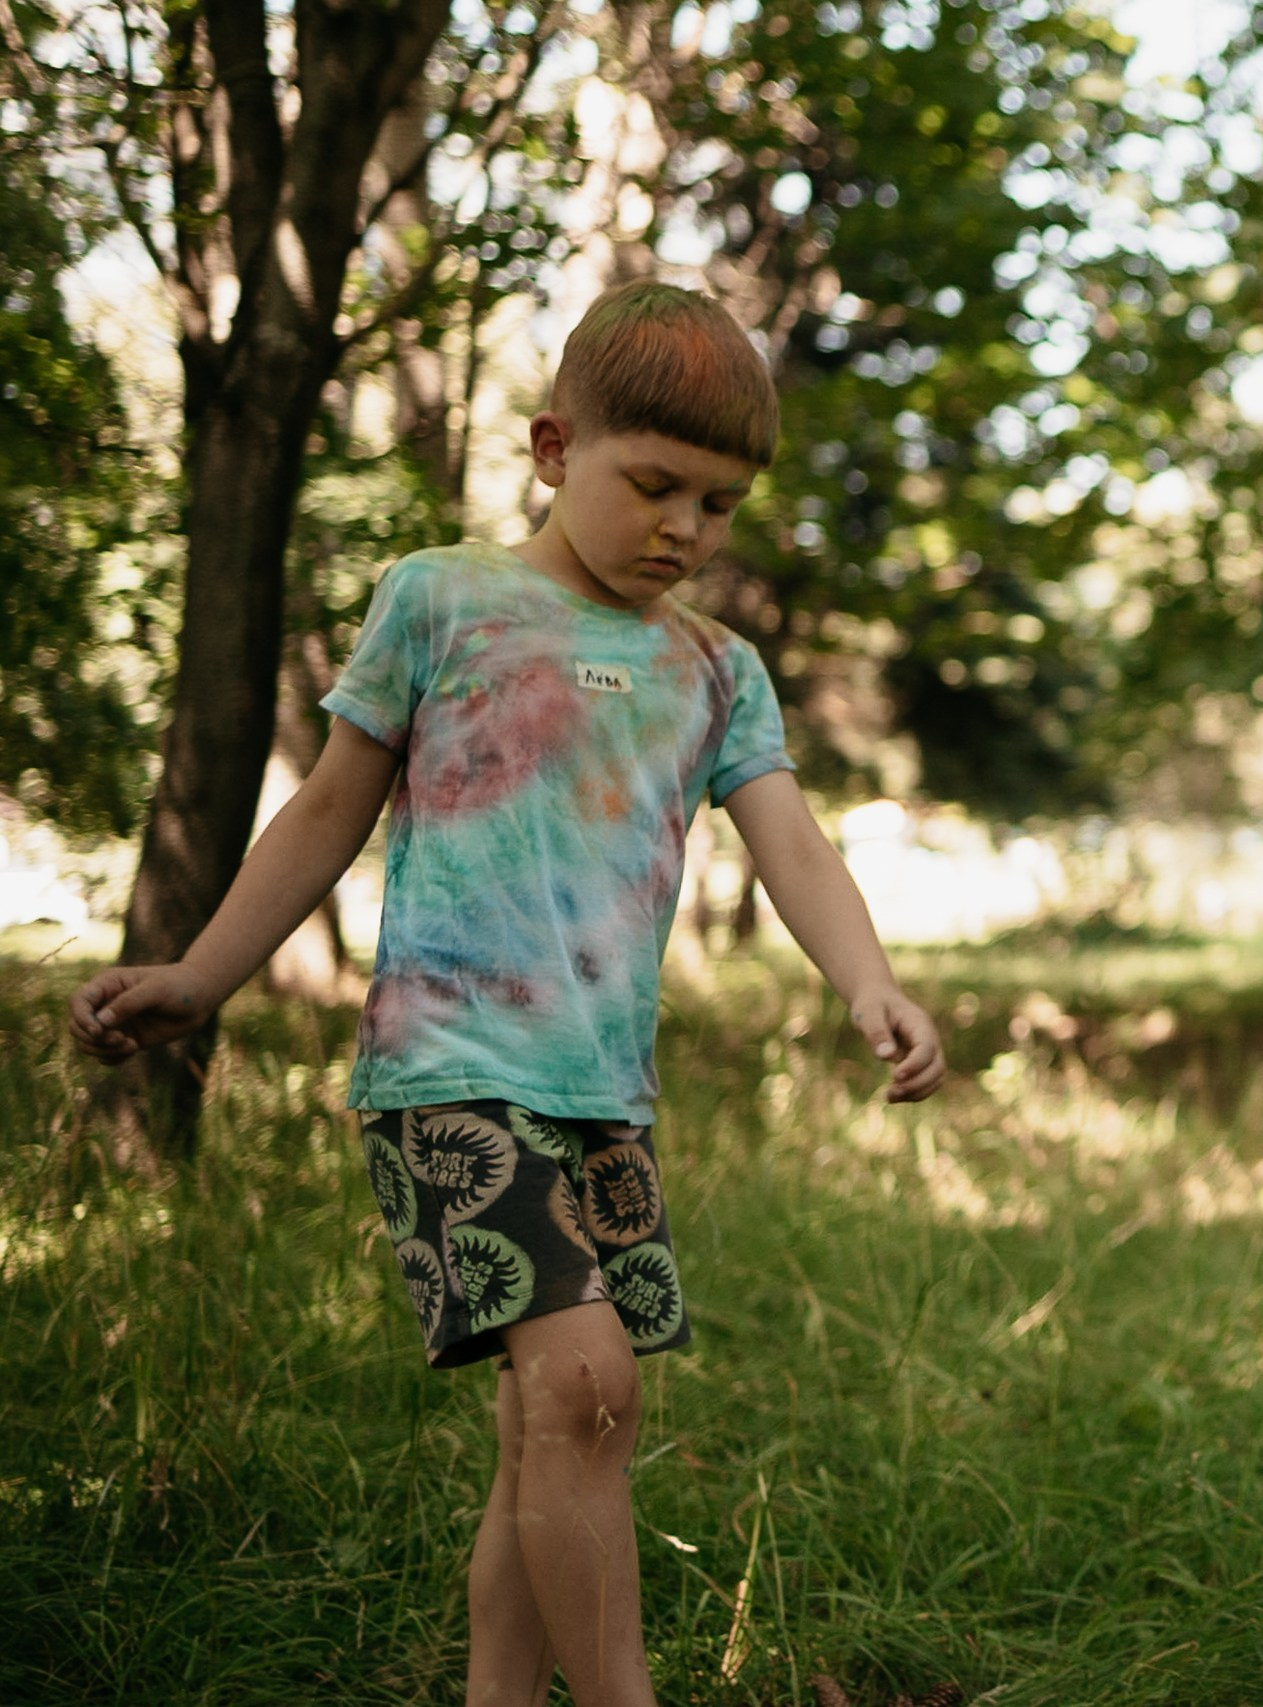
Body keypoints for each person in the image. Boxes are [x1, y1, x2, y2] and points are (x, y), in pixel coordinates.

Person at [69, 279, 946, 1707]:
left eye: (718, 506)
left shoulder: (716, 671)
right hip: (451, 1074)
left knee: (553, 1434)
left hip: (601, 1095)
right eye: (655, 485)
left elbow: (793, 844)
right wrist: (202, 976)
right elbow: (323, 813)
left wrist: (872, 986)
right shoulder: (442, 600)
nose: (686, 529)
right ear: (553, 448)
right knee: (593, 1388)